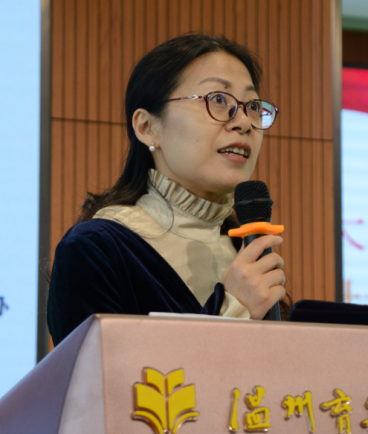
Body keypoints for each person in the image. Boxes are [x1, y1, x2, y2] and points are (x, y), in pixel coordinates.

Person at [47, 34, 289, 346]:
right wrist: (235, 311)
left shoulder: (244, 251)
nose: (243, 122)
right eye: (218, 99)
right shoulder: (95, 249)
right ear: (147, 127)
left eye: (252, 106)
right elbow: (107, 375)